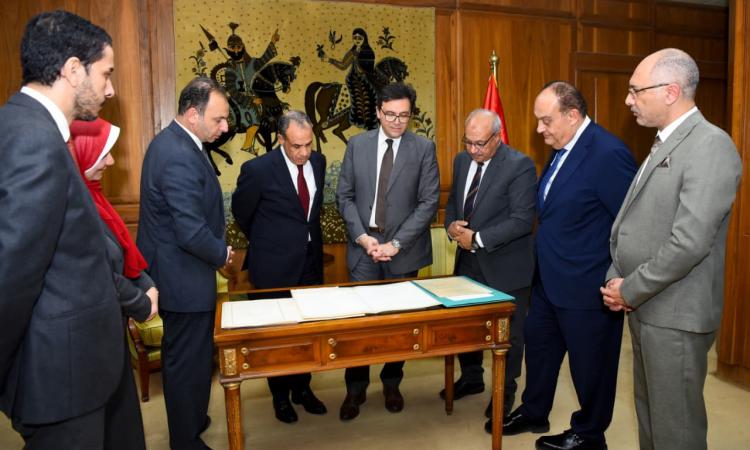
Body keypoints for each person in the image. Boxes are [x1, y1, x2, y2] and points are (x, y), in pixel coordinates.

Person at [601, 48, 742, 450]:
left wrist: (631, 288)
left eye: (636, 90)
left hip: (676, 313)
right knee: (652, 420)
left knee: (675, 431)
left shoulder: (710, 145)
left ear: (671, 91)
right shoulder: (665, 142)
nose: (628, 100)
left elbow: (689, 242)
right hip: (649, 307)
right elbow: (635, 222)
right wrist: (617, 277)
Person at [0, 9, 127, 448]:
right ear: (74, 70)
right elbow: (12, 273)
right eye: (105, 73)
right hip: (59, 377)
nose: (110, 89)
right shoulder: (34, 139)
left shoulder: (27, 125)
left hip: (69, 371)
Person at [504, 81, 637, 450]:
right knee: (540, 351)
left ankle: (589, 434)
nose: (539, 129)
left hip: (587, 286)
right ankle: (535, 411)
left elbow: (630, 224)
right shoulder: (562, 147)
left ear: (573, 115)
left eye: (546, 121)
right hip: (548, 280)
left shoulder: (607, 153)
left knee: (591, 367)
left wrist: (620, 278)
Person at [137, 77, 233, 450]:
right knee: (185, 364)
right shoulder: (176, 152)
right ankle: (185, 439)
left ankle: (192, 417)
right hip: (182, 277)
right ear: (193, 114)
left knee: (193, 358)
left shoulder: (179, 143)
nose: (225, 127)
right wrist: (222, 254)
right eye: (218, 119)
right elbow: (190, 231)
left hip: (185, 272)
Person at [336, 82, 440, 421]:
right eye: (391, 114)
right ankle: (355, 388)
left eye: (404, 115)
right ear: (378, 112)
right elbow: (344, 197)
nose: (397, 121)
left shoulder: (423, 149)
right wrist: (362, 237)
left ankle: (392, 383)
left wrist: (396, 244)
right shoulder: (357, 145)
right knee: (360, 324)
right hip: (364, 249)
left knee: (399, 324)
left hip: (404, 251)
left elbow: (428, 203)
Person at [440, 109, 536, 431]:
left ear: (497, 137)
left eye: (480, 143)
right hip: (467, 263)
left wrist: (477, 238)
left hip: (505, 266)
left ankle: (505, 391)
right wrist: (451, 226)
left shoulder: (519, 165)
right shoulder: (461, 160)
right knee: (466, 326)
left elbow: (522, 220)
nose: (473, 150)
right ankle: (472, 377)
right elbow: (454, 202)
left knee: (509, 335)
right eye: (468, 142)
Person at [231, 111, 328, 424]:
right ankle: (280, 396)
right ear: (281, 139)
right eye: (296, 146)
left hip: (310, 263)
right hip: (272, 267)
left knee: (306, 332)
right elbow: (242, 213)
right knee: (277, 336)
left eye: (308, 144)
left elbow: (310, 214)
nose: (304, 152)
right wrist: (270, 242)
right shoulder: (258, 170)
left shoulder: (319, 162)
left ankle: (303, 389)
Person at [69, 117, 160, 450]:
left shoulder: (95, 197)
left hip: (110, 334)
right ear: (80, 153)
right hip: (87, 344)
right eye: (103, 153)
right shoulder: (74, 206)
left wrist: (148, 284)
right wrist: (143, 302)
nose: (110, 162)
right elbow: (100, 270)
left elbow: (124, 252)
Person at [326, 28, 378, 129]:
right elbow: (343, 66)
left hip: (366, 79)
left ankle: (371, 121)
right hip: (353, 79)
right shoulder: (352, 51)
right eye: (355, 38)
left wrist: (357, 57)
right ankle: (357, 119)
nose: (357, 40)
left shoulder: (368, 52)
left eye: (360, 38)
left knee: (371, 95)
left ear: (364, 39)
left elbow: (369, 69)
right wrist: (329, 60)